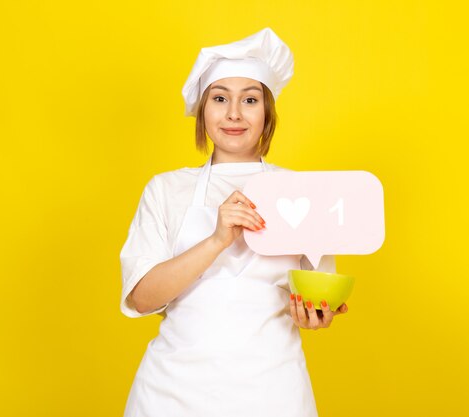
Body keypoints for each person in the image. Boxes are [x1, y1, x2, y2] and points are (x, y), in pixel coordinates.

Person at [119, 27, 348, 417]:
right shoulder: (165, 190)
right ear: (203, 109)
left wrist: (317, 315)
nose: (234, 114)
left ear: (267, 112)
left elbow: (318, 298)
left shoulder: (303, 192)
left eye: (250, 100)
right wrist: (216, 240)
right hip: (172, 393)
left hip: (274, 391)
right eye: (220, 98)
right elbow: (142, 298)